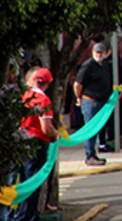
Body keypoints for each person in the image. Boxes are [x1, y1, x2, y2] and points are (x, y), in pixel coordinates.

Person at [11, 68, 58, 221]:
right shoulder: (44, 101)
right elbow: (46, 128)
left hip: (23, 140)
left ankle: (24, 214)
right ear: (48, 83)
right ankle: (28, 216)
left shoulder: (25, 96)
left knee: (24, 180)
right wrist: (56, 135)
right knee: (34, 182)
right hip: (38, 142)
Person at [75, 42, 113, 166]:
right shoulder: (88, 66)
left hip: (102, 102)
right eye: (97, 52)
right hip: (90, 101)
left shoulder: (105, 65)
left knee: (98, 129)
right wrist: (79, 98)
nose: (99, 54)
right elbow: (78, 84)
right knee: (91, 129)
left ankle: (95, 152)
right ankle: (89, 155)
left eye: (101, 52)